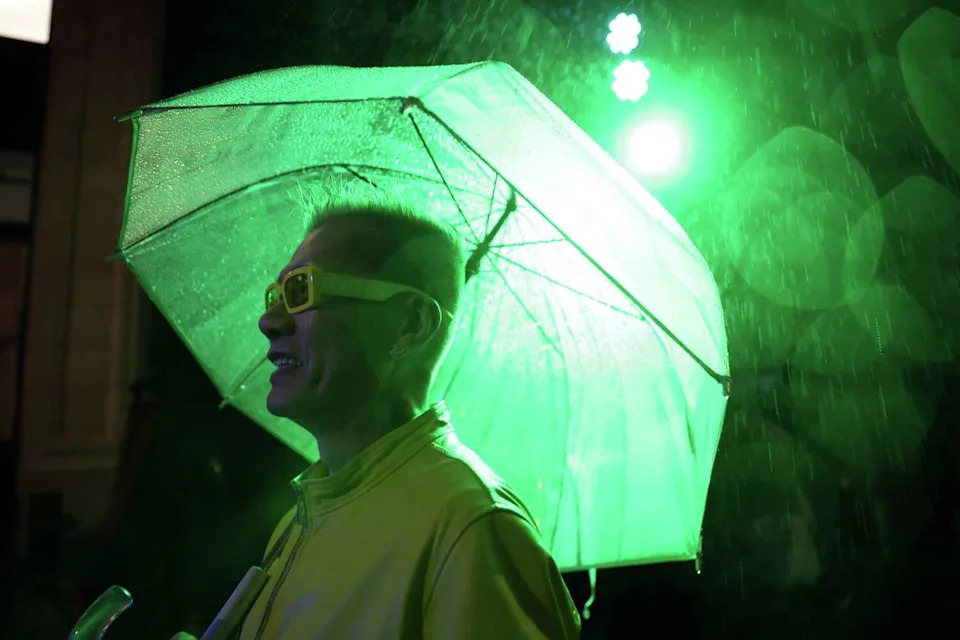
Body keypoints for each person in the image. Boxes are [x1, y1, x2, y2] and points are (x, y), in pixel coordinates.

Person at [229, 180, 580, 639]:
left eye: (301, 289)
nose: (270, 321)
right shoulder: (299, 522)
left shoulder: (472, 529)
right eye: (276, 295)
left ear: (409, 325)